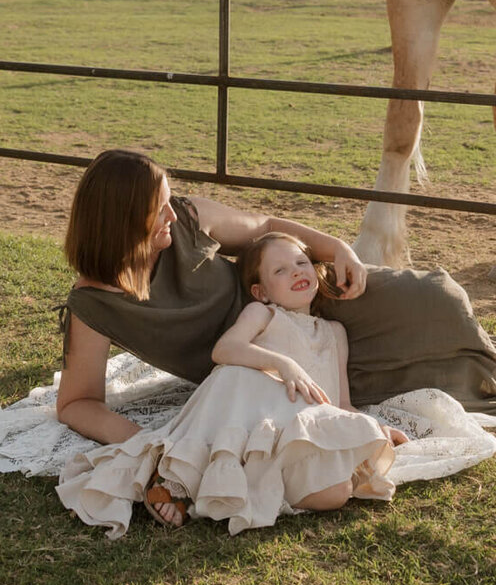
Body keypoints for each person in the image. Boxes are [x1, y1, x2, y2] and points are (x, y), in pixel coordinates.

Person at [54, 151, 496, 464]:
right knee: (389, 380)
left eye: (172, 201)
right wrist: (145, 442)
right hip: (264, 355)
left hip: (295, 291)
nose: (172, 215)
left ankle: (482, 355)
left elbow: (267, 228)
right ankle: (481, 371)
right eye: (158, 211)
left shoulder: (191, 220)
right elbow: (76, 402)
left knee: (437, 298)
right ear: (121, 221)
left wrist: (333, 248)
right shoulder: (95, 303)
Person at [57, 229, 405, 535]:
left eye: (302, 263)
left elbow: (340, 403)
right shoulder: (263, 314)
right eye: (280, 271)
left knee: (339, 492)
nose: (297, 272)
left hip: (303, 423)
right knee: (240, 376)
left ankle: (255, 481)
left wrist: (374, 427)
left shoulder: (335, 333)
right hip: (255, 409)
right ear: (262, 292)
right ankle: (179, 480)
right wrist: (281, 364)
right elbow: (225, 349)